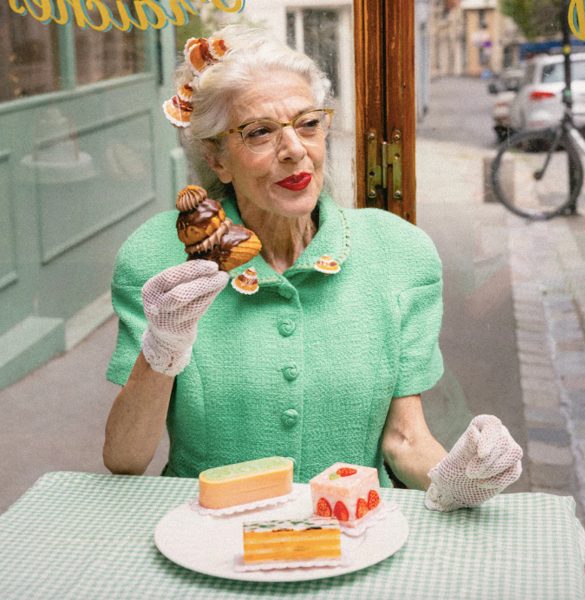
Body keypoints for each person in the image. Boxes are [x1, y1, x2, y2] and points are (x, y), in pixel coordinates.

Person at [103, 26, 522, 512]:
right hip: (207, 535)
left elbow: (405, 440)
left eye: (307, 124)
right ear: (217, 158)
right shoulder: (160, 256)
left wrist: (460, 477)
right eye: (260, 131)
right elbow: (125, 458)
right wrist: (164, 347)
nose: (294, 149)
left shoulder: (398, 254)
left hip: (356, 531)